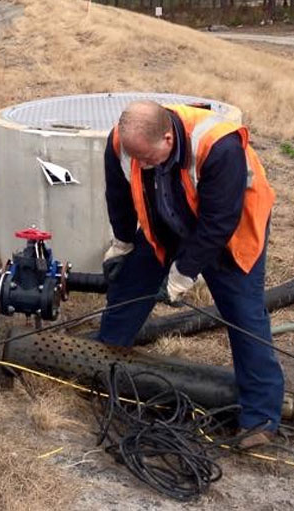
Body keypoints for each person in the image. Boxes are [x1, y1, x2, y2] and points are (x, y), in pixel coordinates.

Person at [98, 99, 283, 448]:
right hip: (166, 218)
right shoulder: (123, 143)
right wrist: (122, 243)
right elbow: (118, 194)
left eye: (148, 159)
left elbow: (218, 222)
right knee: (128, 288)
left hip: (230, 230)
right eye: (136, 159)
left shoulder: (218, 145)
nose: (141, 165)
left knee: (243, 314)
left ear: (168, 139)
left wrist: (183, 275)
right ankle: (100, 367)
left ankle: (260, 417)